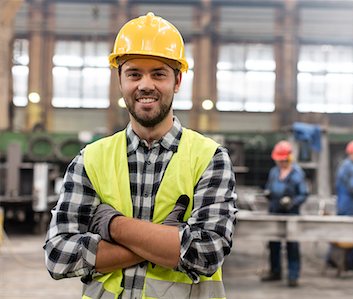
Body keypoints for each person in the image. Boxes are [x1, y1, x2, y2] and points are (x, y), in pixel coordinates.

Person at [43, 12, 238, 299]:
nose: (145, 84)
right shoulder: (90, 160)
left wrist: (112, 225)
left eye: (158, 73)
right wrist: (165, 243)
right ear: (120, 81)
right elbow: (59, 255)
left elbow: (206, 253)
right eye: (134, 73)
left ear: (178, 80)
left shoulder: (210, 158)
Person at [261, 140, 309, 287]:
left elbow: (304, 193)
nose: (281, 163)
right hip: (274, 211)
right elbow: (269, 186)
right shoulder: (274, 172)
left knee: (292, 245)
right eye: (279, 160)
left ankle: (293, 276)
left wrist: (292, 202)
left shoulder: (297, 173)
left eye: (283, 160)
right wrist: (268, 193)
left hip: (291, 213)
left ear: (289, 158)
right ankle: (275, 272)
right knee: (273, 243)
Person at [327, 139, 353, 271]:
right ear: (352, 154)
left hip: (342, 204)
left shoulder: (343, 165)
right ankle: (349, 263)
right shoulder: (352, 168)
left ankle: (332, 260)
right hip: (350, 206)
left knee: (340, 233)